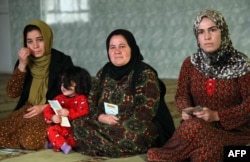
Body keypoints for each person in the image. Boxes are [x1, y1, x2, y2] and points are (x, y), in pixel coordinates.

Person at [147, 9, 250, 161]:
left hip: (234, 130)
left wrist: (217, 116)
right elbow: (182, 94)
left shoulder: (241, 64)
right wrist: (185, 109)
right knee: (200, 149)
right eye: (201, 32)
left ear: (223, 32)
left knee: (201, 155)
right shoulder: (190, 64)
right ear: (197, 36)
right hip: (197, 125)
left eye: (212, 30)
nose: (207, 37)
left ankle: (168, 156)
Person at [72, 29, 175, 158]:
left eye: (122, 46)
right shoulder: (104, 72)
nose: (117, 51)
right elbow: (90, 102)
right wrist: (101, 117)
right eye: (112, 47)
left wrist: (117, 122)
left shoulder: (144, 73)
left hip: (134, 126)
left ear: (132, 48)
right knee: (76, 123)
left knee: (135, 133)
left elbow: (145, 113)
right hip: (104, 122)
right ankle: (111, 147)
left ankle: (95, 144)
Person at [0, 20, 74, 150]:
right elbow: (12, 92)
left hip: (50, 111)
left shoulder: (63, 61)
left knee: (29, 140)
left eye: (40, 39)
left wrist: (44, 107)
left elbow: (72, 95)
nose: (35, 46)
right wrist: (22, 65)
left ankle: (55, 138)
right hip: (28, 109)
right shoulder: (24, 61)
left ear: (47, 38)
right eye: (29, 41)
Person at [44, 66, 91, 154]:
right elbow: (48, 109)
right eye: (62, 84)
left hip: (73, 128)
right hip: (61, 126)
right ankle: (62, 145)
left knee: (73, 139)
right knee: (51, 130)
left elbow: (84, 111)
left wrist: (69, 113)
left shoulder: (81, 99)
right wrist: (52, 117)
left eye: (68, 84)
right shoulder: (58, 98)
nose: (63, 87)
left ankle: (58, 144)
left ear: (80, 84)